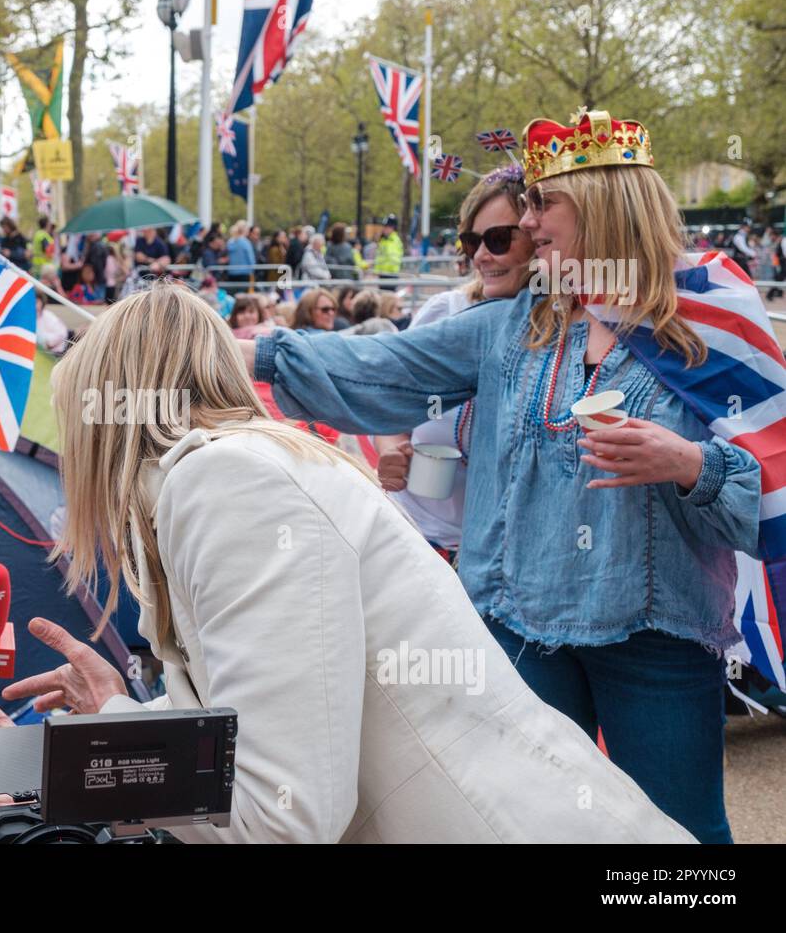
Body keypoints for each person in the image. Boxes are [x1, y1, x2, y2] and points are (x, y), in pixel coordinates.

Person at [0, 282, 694, 844]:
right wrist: (40, 752)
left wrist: (86, 745)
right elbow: (263, 718)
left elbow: (284, 812)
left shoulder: (225, 484)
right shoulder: (248, 469)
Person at [245, 109, 758, 843]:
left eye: (545, 203)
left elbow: (767, 487)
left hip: (657, 634)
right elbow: (373, 369)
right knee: (529, 826)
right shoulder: (514, 324)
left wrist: (689, 466)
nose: (529, 221)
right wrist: (228, 353)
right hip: (514, 627)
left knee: (679, 834)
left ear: (606, 204)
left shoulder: (710, 326)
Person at [373, 165, 535, 565]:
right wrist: (392, 449)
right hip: (419, 542)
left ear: (539, 237)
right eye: (471, 241)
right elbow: (391, 404)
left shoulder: (566, 329)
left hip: (509, 558)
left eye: (498, 240)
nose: (481, 255)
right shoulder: (446, 310)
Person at [372, 214, 404, 283]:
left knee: (389, 293)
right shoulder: (383, 240)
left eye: (387, 227)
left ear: (393, 228)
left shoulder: (394, 240)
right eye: (384, 226)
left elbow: (392, 257)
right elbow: (379, 257)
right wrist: (376, 270)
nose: (384, 229)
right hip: (383, 274)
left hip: (391, 274)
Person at [36, 289, 68, 355]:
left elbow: (62, 333)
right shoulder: (27, 316)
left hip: (54, 353)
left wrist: (47, 343)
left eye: (36, 301)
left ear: (42, 302)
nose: (33, 304)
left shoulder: (49, 317)